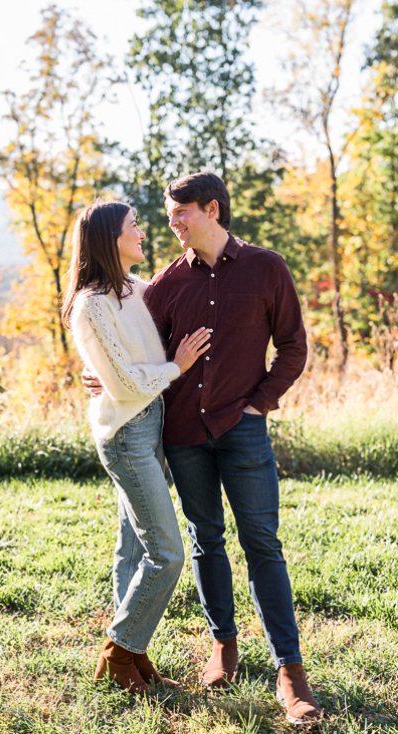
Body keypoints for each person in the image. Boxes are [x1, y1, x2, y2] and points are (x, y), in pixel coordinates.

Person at [85, 172, 321, 724]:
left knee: (262, 541)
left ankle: (291, 669)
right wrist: (98, 373)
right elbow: (128, 346)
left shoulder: (267, 268)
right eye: (166, 215)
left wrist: (259, 404)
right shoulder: (165, 284)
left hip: (243, 430)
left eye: (180, 213)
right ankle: (224, 647)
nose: (171, 223)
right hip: (185, 436)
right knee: (205, 540)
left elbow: (292, 347)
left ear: (212, 208)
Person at [61, 200, 211, 693]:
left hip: (150, 426)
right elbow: (125, 384)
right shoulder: (91, 304)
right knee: (166, 553)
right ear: (110, 238)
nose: (143, 232)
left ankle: (129, 656)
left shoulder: (134, 289)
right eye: (134, 226)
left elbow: (125, 364)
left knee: (132, 551)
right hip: (127, 434)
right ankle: (121, 650)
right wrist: (177, 367)